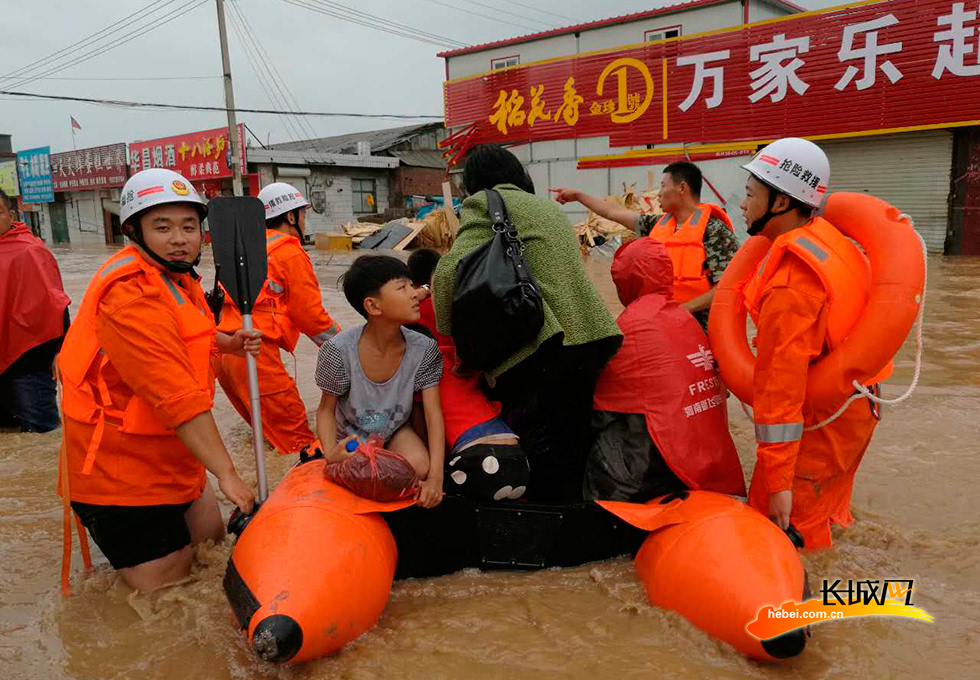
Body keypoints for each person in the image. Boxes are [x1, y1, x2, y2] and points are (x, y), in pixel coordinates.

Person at [57, 168, 259, 593]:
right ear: (134, 231)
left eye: (189, 226)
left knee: (211, 547)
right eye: (162, 227)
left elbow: (188, 334)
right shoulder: (130, 294)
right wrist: (227, 473)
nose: (180, 239)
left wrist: (228, 342)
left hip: (173, 454)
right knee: (166, 593)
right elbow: (176, 395)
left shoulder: (177, 277)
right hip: (121, 470)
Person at [432, 144, 622, 503]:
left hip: (543, 343)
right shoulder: (549, 210)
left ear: (476, 182)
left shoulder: (486, 202)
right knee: (572, 439)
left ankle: (533, 520)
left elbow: (449, 271)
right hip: (590, 337)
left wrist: (455, 344)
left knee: (535, 439)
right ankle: (576, 527)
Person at [738, 137, 880, 550]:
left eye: (750, 194)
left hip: (818, 430)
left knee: (792, 538)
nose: (743, 205)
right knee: (829, 514)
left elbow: (780, 391)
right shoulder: (828, 241)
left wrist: (779, 482)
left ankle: (810, 613)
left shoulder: (790, 286)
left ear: (780, 203)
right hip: (854, 410)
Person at [586, 238, 746, 502]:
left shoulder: (634, 324)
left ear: (625, 281)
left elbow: (601, 398)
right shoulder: (684, 318)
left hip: (662, 464)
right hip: (710, 461)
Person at [215, 182, 340, 455]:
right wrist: (350, 346)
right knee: (300, 445)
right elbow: (311, 318)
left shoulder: (246, 249)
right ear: (291, 217)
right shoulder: (288, 251)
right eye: (303, 215)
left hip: (222, 351)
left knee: (268, 440)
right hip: (254, 351)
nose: (305, 222)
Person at [314, 255, 445, 509]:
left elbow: (433, 414)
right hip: (351, 434)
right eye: (402, 287)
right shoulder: (337, 351)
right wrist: (331, 454)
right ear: (373, 306)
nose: (416, 294)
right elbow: (325, 410)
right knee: (352, 467)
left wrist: (435, 479)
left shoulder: (424, 348)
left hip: (395, 429)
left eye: (411, 285)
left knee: (420, 466)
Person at [551, 161, 740, 330]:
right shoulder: (657, 225)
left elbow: (727, 287)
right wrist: (577, 195)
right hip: (664, 327)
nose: (658, 193)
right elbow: (611, 212)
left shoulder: (714, 230)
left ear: (682, 188)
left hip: (701, 332)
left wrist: (683, 309)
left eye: (663, 186)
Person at [408, 248, 530, 502]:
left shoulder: (419, 367)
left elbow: (424, 426)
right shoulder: (460, 360)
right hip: (519, 459)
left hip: (478, 460)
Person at [0, 187, 70, 433]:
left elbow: (55, 303)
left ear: (11, 215)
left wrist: (61, 351)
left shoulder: (30, 251)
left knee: (41, 432)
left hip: (28, 361)